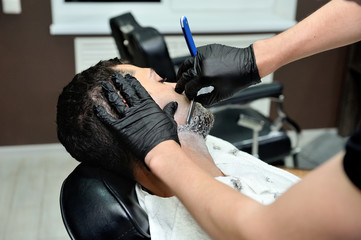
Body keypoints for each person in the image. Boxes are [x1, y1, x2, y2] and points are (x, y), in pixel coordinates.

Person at [95, 0, 361, 239]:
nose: (176, 82)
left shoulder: (216, 152)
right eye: (161, 80)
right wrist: (256, 58)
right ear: (139, 124)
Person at [57, 58, 300, 239]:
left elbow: (275, 179)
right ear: (138, 119)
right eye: (161, 81)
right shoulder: (190, 230)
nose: (178, 85)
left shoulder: (200, 145)